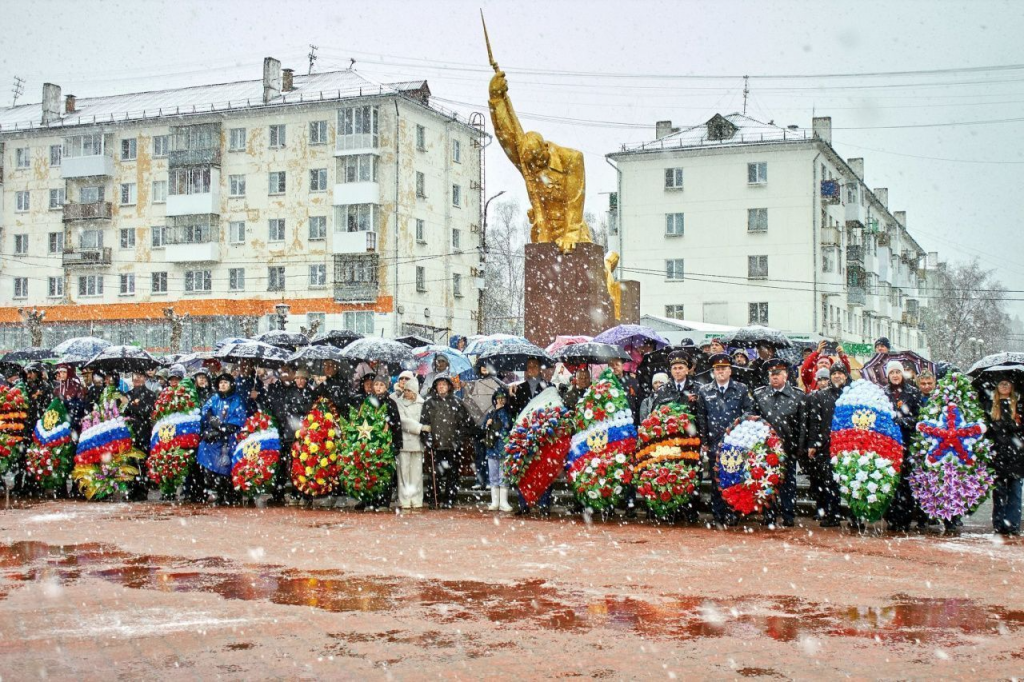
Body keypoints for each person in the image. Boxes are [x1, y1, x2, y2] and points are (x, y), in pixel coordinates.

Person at [698, 353, 754, 527]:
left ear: (730, 371)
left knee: (734, 478)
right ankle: (718, 514)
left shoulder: (741, 389)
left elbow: (749, 411)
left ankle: (733, 512)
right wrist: (704, 440)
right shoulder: (705, 390)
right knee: (717, 479)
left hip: (735, 441)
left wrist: (737, 427)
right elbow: (701, 417)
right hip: (715, 441)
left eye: (723, 369)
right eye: (717, 369)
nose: (720, 372)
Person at [752, 358, 806, 528]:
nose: (774, 377)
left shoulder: (798, 395)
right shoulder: (760, 395)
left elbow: (802, 424)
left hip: (788, 446)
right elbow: (753, 420)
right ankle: (769, 514)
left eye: (778, 374)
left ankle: (788, 514)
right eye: (771, 374)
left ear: (786, 375)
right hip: (765, 448)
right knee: (767, 480)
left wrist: (800, 447)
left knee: (788, 482)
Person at [804, 364, 849, 527]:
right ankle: (832, 514)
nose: (837, 376)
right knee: (828, 481)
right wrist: (812, 443)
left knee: (850, 480)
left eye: (840, 373)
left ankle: (853, 516)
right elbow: (814, 422)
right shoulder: (821, 396)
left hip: (848, 443)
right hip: (826, 444)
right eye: (834, 373)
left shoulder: (851, 394)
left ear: (845, 376)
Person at [882, 360, 923, 532]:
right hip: (888, 444)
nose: (895, 375)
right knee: (890, 480)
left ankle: (905, 517)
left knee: (906, 482)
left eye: (897, 372)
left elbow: (919, 417)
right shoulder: (883, 393)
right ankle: (891, 517)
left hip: (907, 442)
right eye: (892, 373)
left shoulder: (913, 392)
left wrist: (903, 421)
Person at [420, 374, 471, 509]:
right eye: (439, 384)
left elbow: (463, 425)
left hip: (452, 445)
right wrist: (427, 438)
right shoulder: (429, 403)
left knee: (452, 475)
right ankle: (434, 498)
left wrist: (458, 440)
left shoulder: (457, 402)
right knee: (434, 475)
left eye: (444, 384)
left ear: (449, 386)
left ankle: (449, 499)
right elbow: (424, 423)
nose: (441, 387)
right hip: (435, 445)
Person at [353, 374, 403, 511]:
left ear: (386, 387)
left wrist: (397, 443)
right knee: (368, 472)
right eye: (376, 384)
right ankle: (369, 500)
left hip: (384, 442)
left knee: (384, 471)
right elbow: (360, 420)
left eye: (381, 385)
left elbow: (396, 424)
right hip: (369, 441)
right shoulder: (367, 401)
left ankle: (383, 501)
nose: (378, 387)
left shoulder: (390, 403)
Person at [197, 373, 248, 505]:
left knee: (227, 465)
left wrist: (224, 428)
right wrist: (211, 420)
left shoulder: (237, 400)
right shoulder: (214, 398)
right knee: (206, 456)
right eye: (221, 383)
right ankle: (215, 490)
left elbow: (239, 419)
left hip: (229, 438)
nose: (223, 385)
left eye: (225, 382)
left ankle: (229, 493)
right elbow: (205, 410)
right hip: (213, 437)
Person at [271, 367, 316, 504]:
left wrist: (298, 409)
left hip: (305, 432)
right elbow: (286, 410)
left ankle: (305, 492)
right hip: (291, 432)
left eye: (303, 379)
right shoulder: (289, 392)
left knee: (305, 463)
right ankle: (296, 491)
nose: (300, 381)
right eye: (298, 378)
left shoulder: (311, 393)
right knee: (292, 464)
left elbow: (309, 409)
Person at [461, 365, 506, 491]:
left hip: (493, 427)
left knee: (491, 456)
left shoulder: (497, 382)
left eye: (487, 365)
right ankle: (480, 479)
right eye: (482, 365)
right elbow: (468, 402)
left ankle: (490, 480)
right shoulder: (474, 384)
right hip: (478, 426)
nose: (484, 368)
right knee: (479, 455)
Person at [988, 379, 1022, 536]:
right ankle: (999, 523)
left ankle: (1013, 524)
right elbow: (988, 431)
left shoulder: (1019, 406)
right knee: (999, 491)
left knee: (1015, 491)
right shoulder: (990, 406)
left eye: (1007, 383)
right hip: (998, 454)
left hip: (1016, 455)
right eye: (1001, 383)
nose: (1004, 386)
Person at [123, 371, 156, 501]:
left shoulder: (150, 394)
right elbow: (123, 411)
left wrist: (132, 406)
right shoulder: (127, 394)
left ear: (145, 378)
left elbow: (147, 411)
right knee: (129, 461)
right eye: (135, 376)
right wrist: (130, 406)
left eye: (140, 376)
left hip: (144, 432)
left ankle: (142, 489)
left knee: (143, 461)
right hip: (129, 432)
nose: (137, 378)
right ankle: (131, 488)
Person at [396, 376, 426, 510]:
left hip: (418, 443)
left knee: (416, 474)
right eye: (405, 390)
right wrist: (420, 427)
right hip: (404, 441)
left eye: (409, 390)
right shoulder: (399, 403)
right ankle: (405, 499)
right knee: (403, 473)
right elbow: (402, 420)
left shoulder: (422, 403)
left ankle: (417, 499)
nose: (406, 393)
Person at [481, 388, 514, 512]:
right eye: (498, 398)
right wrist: (487, 424)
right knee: (493, 475)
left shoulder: (508, 412)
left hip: (504, 448)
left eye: (502, 398)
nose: (500, 401)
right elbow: (483, 428)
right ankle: (495, 501)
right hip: (491, 448)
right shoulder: (490, 413)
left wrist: (502, 412)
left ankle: (503, 501)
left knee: (504, 475)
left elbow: (508, 425)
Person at [53, 364, 87, 430]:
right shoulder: (57, 389)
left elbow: (80, 404)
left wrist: (66, 402)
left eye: (64, 372)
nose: (62, 374)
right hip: (61, 419)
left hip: (73, 418)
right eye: (61, 372)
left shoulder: (75, 386)